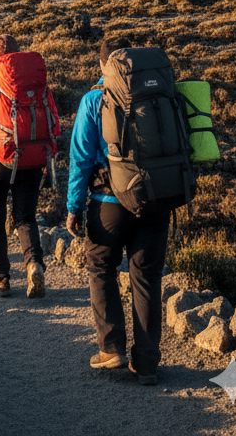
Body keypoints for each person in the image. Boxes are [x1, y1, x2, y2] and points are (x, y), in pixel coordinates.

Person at [67, 37, 171, 384]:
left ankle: (111, 349)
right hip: (156, 201)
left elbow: (80, 159)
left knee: (100, 267)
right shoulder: (158, 93)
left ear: (102, 65)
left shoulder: (94, 99)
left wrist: (73, 207)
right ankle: (147, 364)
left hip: (108, 204)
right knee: (146, 278)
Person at [0, 38, 59, 298]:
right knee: (25, 218)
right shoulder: (40, 87)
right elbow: (54, 125)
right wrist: (49, 156)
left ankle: (0, 277)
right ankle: (34, 264)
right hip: (31, 158)